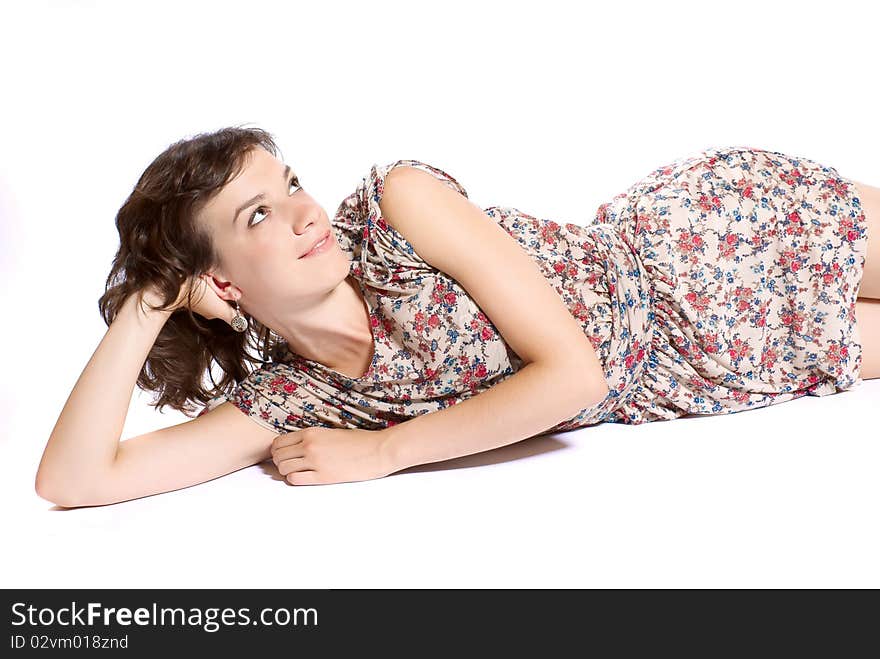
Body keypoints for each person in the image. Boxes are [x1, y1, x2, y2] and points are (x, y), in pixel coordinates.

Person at [34, 126, 879, 507]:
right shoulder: (299, 398)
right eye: (257, 215)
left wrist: (385, 453)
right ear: (220, 287)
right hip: (700, 367)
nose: (302, 212)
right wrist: (149, 298)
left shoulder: (399, 206)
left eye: (290, 183)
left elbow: (573, 373)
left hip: (713, 241)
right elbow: (74, 482)